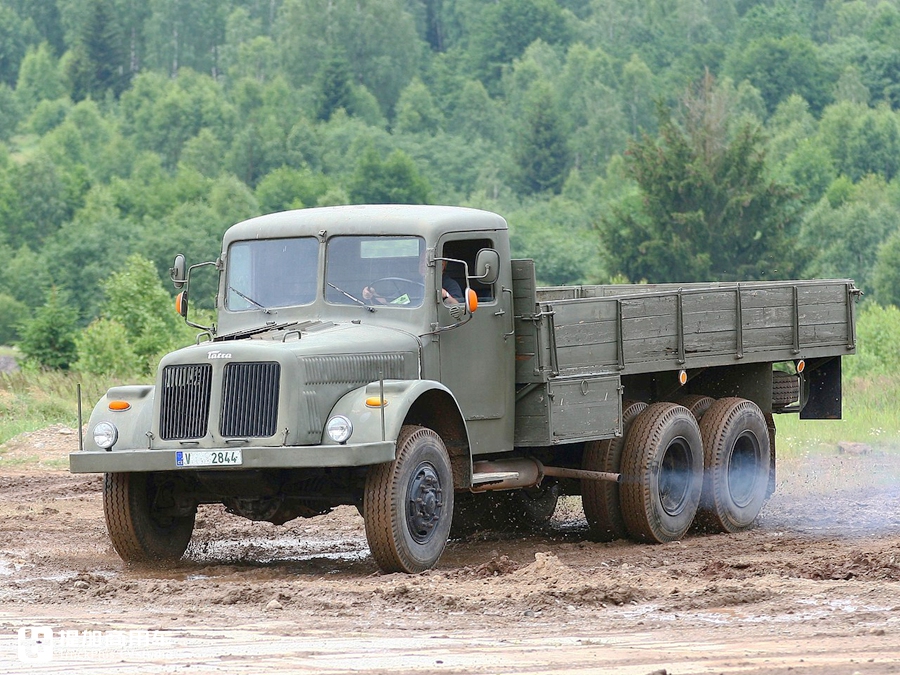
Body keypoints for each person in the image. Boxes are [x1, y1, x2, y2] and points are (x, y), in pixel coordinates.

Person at [362, 256, 463, 305]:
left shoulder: (450, 285)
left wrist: (445, 295)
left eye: (427, 261)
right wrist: (373, 295)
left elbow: (457, 309)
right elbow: (393, 304)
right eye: (421, 261)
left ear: (442, 265)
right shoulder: (412, 285)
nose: (422, 264)